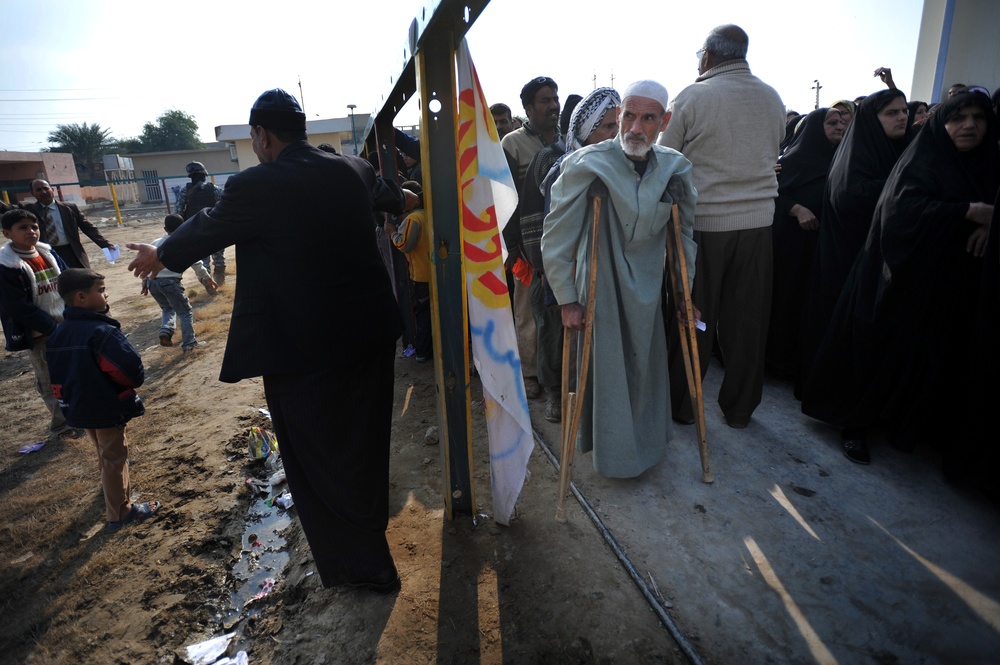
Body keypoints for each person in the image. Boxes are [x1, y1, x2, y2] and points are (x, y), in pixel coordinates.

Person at [126, 88, 412, 594]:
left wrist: (160, 251)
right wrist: (411, 196)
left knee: (316, 457)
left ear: (262, 135)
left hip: (303, 349)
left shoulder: (258, 183)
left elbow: (206, 228)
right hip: (369, 333)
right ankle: (369, 539)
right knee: (364, 442)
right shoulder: (353, 169)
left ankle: (365, 566)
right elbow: (394, 195)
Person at [802, 92, 999, 465]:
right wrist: (967, 212)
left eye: (978, 117)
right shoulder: (924, 158)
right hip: (897, 275)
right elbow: (898, 210)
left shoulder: (989, 166)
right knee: (874, 349)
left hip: (952, 285)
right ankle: (854, 424)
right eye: (958, 117)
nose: (969, 125)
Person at [542, 80, 697, 478]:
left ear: (663, 121)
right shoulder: (585, 164)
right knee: (608, 371)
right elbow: (557, 235)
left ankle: (645, 449)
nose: (634, 128)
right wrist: (566, 299)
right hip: (602, 282)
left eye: (648, 118)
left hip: (647, 287)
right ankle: (614, 457)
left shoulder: (675, 167)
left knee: (644, 369)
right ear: (619, 115)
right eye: (628, 116)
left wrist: (684, 292)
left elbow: (684, 236)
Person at [657, 24, 786, 429]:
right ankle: (740, 409)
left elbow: (666, 158)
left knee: (693, 315)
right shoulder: (772, 96)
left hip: (706, 226)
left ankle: (680, 405)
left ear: (708, 56)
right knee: (748, 320)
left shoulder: (693, 96)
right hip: (759, 225)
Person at [800, 88, 911, 389]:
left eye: (904, 111)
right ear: (872, 120)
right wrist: (901, 188)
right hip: (848, 258)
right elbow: (851, 196)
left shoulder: (902, 150)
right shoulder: (857, 154)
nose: (902, 117)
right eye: (891, 112)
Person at [46, 268, 160, 529]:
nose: (105, 293)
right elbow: (129, 372)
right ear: (81, 297)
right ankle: (121, 512)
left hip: (79, 405)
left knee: (104, 453)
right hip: (105, 405)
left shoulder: (59, 333)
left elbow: (58, 374)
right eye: (100, 290)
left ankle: (113, 495)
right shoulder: (102, 332)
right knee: (114, 457)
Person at [516, 92, 585, 422]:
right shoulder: (547, 160)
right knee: (553, 332)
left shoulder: (600, 160)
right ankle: (556, 396)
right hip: (553, 266)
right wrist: (542, 267)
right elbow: (531, 218)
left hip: (587, 264)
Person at [767, 108, 844, 385]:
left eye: (843, 123)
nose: (839, 127)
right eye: (832, 123)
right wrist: (796, 209)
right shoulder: (795, 159)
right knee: (786, 300)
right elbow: (771, 194)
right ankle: (776, 360)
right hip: (791, 246)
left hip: (821, 247)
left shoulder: (843, 159)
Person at [501, 76, 561, 402]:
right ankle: (529, 373)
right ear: (528, 107)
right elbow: (504, 200)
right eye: (544, 100)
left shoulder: (568, 142)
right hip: (527, 247)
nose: (553, 105)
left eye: (555, 98)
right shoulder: (512, 144)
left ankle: (554, 374)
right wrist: (513, 247)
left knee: (555, 314)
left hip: (563, 247)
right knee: (527, 313)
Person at [0, 208, 80, 441]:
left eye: (34, 227)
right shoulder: (7, 266)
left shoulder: (48, 254)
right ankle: (61, 425)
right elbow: (17, 307)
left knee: (73, 373)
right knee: (50, 380)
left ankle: (78, 414)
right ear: (7, 233)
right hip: (40, 335)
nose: (31, 232)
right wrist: (52, 328)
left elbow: (67, 281)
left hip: (65, 325)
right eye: (22, 228)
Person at [142, 214, 217, 351]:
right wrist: (208, 278)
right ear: (183, 227)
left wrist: (144, 281)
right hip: (170, 283)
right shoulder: (183, 243)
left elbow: (145, 262)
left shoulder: (155, 243)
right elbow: (197, 264)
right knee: (185, 312)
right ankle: (189, 343)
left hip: (153, 283)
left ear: (165, 229)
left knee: (167, 308)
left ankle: (166, 330)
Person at [385, 181, 433, 362]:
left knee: (422, 316)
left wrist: (391, 232)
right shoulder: (426, 215)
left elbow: (404, 244)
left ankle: (422, 352)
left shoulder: (413, 219)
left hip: (421, 275)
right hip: (431, 272)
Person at [22, 179, 116, 270]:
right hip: (47, 254)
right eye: (38, 190)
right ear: (32, 193)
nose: (43, 192)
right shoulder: (29, 211)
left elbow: (88, 228)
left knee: (83, 281)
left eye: (46, 188)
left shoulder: (70, 208)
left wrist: (105, 244)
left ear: (52, 190)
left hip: (72, 252)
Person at [176, 161, 226, 285]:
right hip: (214, 228)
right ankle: (220, 282)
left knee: (202, 259)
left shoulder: (184, 191)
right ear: (204, 175)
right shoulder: (215, 189)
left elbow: (178, 212)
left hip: (195, 230)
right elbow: (226, 205)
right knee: (219, 259)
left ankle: (207, 283)